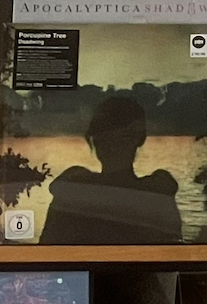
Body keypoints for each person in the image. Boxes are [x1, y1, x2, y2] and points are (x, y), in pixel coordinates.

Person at [41, 92, 183, 243]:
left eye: (121, 138)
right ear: (140, 138)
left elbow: (48, 249)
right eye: (106, 138)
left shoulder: (73, 190)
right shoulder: (157, 194)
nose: (112, 146)